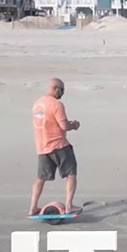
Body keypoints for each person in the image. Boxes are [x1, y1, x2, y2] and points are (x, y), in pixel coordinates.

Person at [30, 77, 81, 215]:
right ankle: (69, 206)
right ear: (54, 88)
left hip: (42, 147)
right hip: (59, 145)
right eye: (62, 90)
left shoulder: (37, 104)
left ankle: (33, 207)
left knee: (41, 178)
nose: (63, 93)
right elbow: (64, 125)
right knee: (71, 174)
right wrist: (74, 125)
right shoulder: (56, 105)